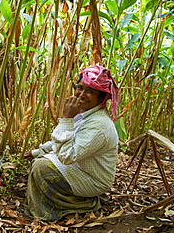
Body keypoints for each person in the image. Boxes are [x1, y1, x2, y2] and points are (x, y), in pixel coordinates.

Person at [24, 64, 119, 221]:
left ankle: (80, 204)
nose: (81, 94)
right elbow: (64, 141)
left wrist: (67, 119)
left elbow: (67, 155)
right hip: (80, 166)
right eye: (80, 88)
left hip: (93, 180)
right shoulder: (87, 114)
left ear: (101, 97)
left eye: (90, 91)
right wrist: (38, 151)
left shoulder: (99, 125)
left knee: (42, 168)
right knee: (39, 161)